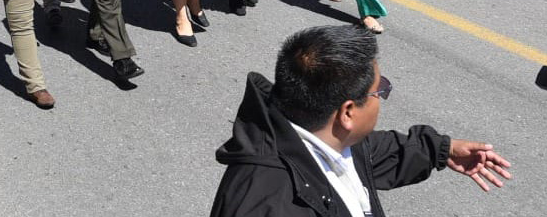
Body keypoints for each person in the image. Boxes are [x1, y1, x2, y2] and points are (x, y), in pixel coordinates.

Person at [211, 25, 513, 216]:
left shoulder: (321, 136)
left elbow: (374, 152)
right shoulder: (265, 204)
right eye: (379, 91)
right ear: (347, 113)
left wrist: (441, 149)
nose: (382, 97)